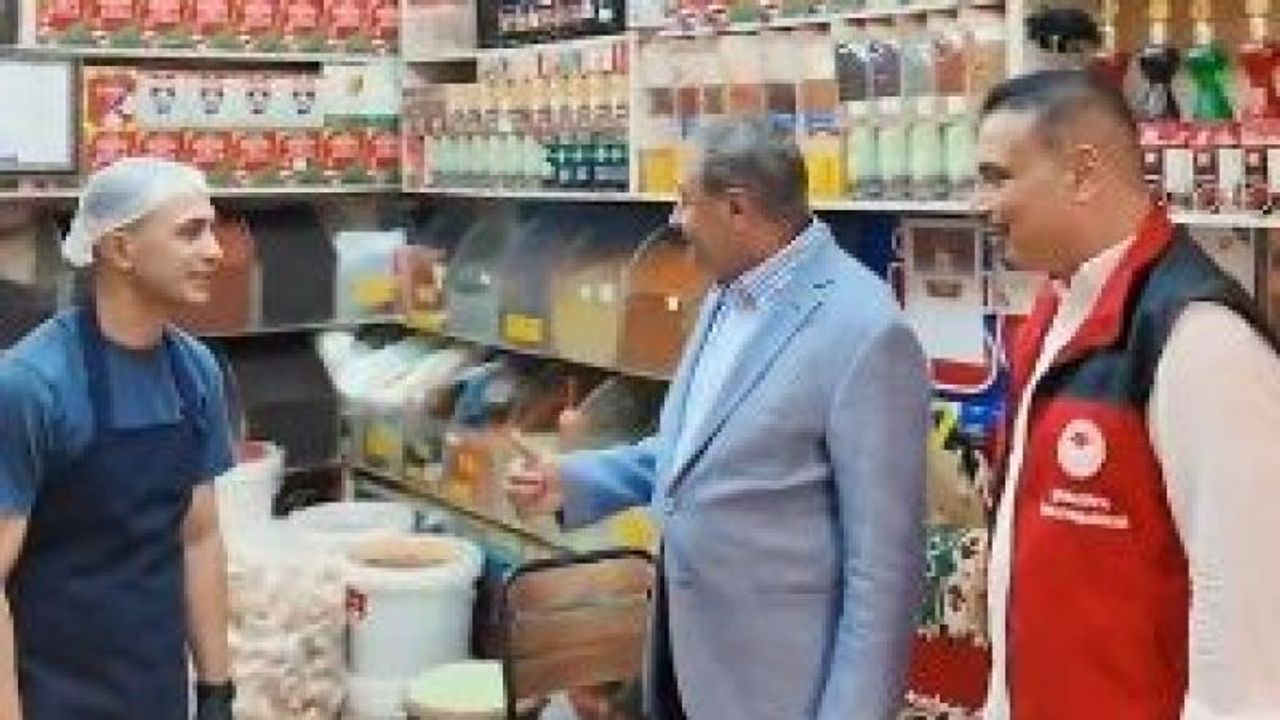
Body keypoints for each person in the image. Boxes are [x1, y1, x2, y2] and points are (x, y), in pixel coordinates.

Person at [506, 118, 930, 720]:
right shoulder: (726, 296)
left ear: (737, 209)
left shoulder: (864, 329)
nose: (675, 219)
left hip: (777, 689)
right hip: (686, 659)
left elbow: (885, 570)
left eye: (685, 200)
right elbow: (693, 454)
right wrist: (574, 480)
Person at [974, 69, 1280, 718]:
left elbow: (1247, 619)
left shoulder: (1202, 340)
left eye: (998, 177)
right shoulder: (1053, 312)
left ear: (1082, 173)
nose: (982, 204)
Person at [0, 158, 236, 719]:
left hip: (155, 692)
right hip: (50, 695)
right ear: (121, 249)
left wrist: (216, 690)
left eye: (212, 229)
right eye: (190, 232)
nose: (215, 251)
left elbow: (199, 538)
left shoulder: (195, 373)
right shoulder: (33, 385)